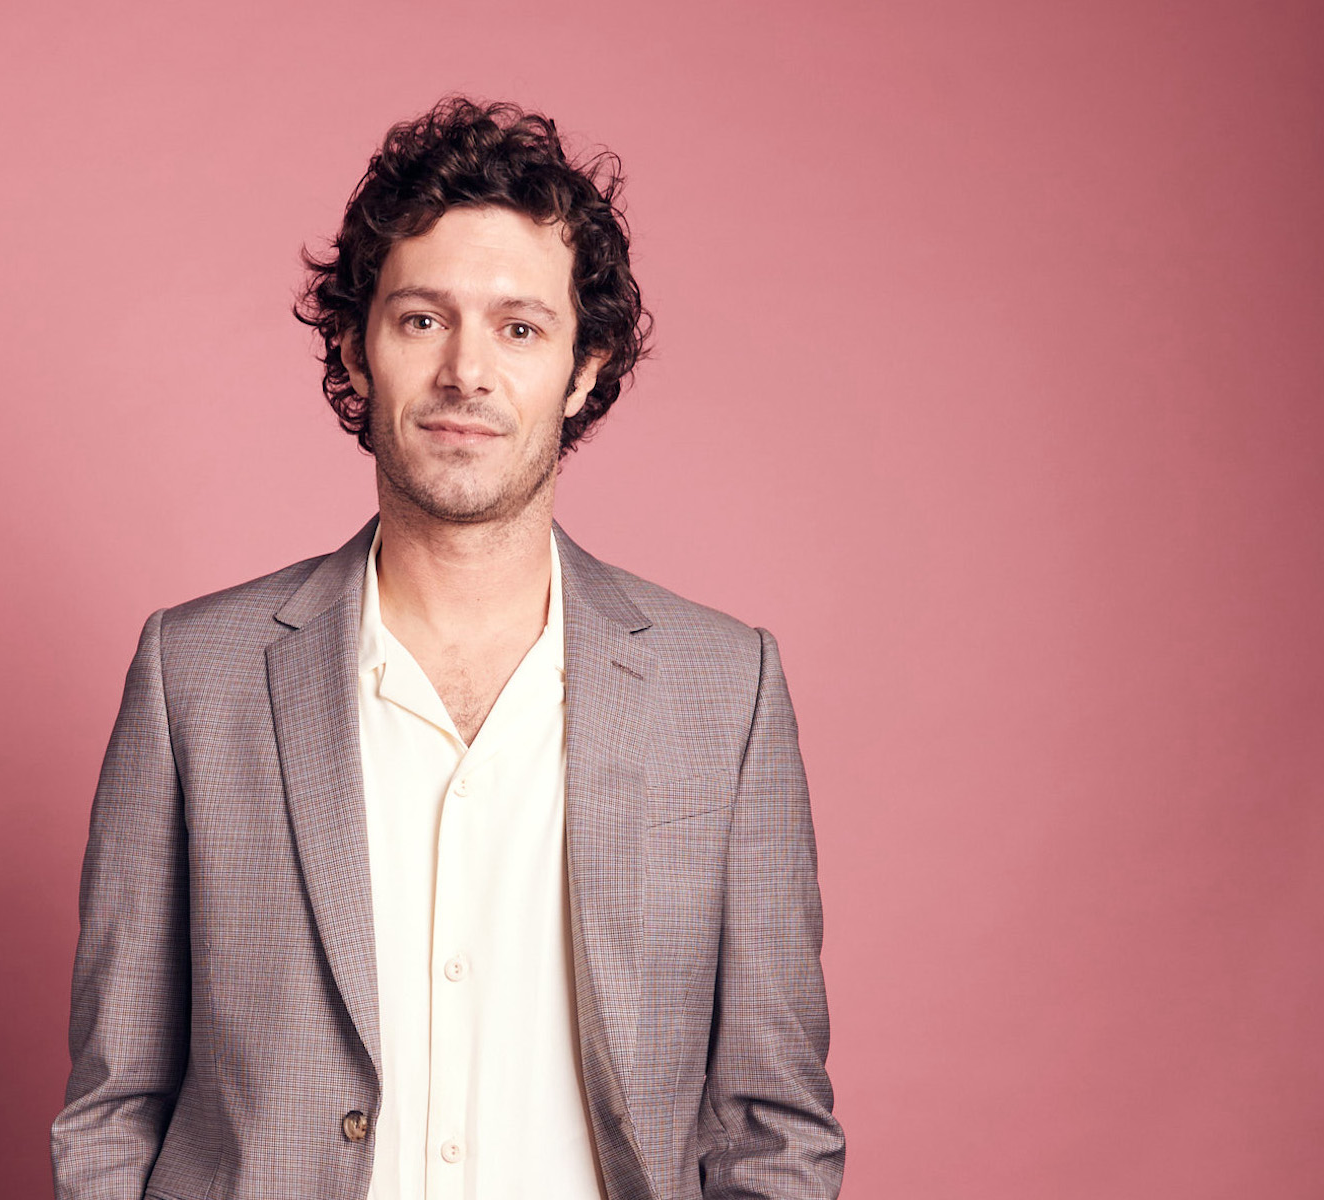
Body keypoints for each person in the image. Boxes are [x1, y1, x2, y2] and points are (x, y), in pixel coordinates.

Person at [52, 96, 843, 1200]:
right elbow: (115, 1102)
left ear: (583, 367)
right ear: (356, 345)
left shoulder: (727, 692)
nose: (467, 372)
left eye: (520, 328)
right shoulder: (197, 676)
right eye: (423, 319)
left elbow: (775, 1125)